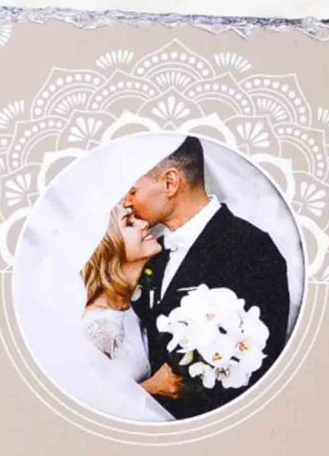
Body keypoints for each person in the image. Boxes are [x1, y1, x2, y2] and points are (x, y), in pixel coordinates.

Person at [123, 136, 290, 419]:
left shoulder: (252, 248)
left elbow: (263, 366)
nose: (126, 202)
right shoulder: (151, 254)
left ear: (170, 182)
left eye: (132, 191)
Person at [80, 204, 162, 384]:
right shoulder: (98, 328)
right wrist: (152, 388)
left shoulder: (127, 303)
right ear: (106, 247)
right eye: (129, 223)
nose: (144, 224)